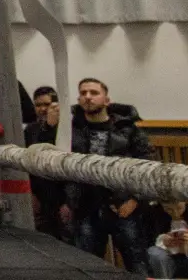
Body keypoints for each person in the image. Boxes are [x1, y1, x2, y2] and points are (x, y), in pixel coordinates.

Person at [65, 78, 152, 272]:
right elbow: (52, 159)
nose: (88, 97)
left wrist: (135, 198)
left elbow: (147, 166)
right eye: (83, 93)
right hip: (85, 205)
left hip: (123, 204)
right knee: (86, 267)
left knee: (138, 264)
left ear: (106, 100)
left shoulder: (128, 129)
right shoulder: (69, 129)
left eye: (94, 93)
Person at [25, 86, 65, 239]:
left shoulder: (68, 128)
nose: (42, 109)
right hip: (39, 191)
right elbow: (27, 160)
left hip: (63, 193)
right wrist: (30, 192)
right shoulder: (30, 129)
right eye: (38, 105)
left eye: (46, 104)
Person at [148, 200, 188, 279]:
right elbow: (150, 240)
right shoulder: (157, 214)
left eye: (179, 208)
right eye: (169, 209)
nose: (175, 213)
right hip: (168, 257)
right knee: (154, 252)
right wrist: (162, 240)